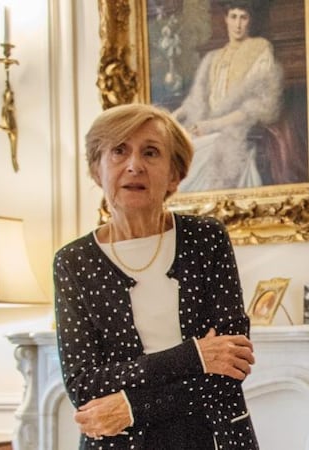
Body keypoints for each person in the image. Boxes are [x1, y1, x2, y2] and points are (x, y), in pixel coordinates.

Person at [53, 103, 259, 449]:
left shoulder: (206, 241)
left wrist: (132, 407)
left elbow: (230, 367)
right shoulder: (73, 262)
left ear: (175, 175)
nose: (134, 165)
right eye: (119, 151)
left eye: (151, 152)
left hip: (215, 439)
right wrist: (193, 358)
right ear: (96, 169)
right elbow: (85, 386)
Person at [173, 0, 283, 192]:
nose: (238, 24)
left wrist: (212, 125)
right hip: (206, 127)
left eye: (243, 17)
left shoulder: (259, 49)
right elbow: (194, 102)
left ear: (250, 20)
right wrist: (170, 118)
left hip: (235, 130)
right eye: (233, 17)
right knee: (177, 148)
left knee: (194, 153)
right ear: (226, 19)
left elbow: (257, 106)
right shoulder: (213, 57)